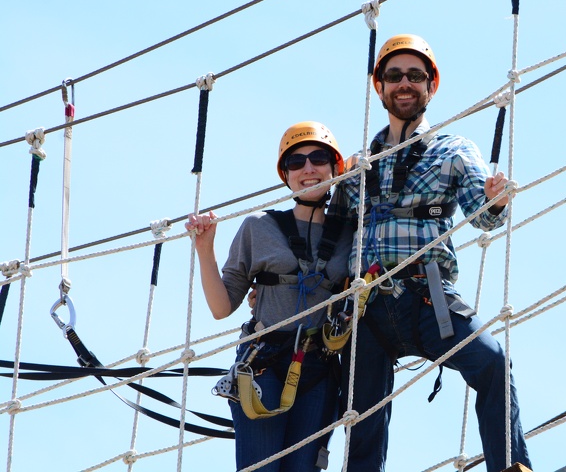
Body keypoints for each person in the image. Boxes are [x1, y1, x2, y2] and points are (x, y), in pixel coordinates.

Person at [329, 34, 532, 472]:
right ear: (378, 86)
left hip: (428, 299)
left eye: (415, 76)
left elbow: (483, 214)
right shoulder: (356, 168)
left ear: (431, 85)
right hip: (366, 310)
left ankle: (509, 468)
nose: (405, 84)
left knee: (493, 364)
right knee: (361, 421)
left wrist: (495, 201)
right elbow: (331, 238)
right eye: (394, 76)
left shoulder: (454, 151)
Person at [186, 121, 352, 472]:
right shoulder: (258, 227)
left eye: (319, 158)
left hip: (319, 368)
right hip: (263, 363)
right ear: (286, 175)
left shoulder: (353, 233)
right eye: (296, 162)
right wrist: (205, 249)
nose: (308, 168)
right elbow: (221, 307)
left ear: (335, 167)